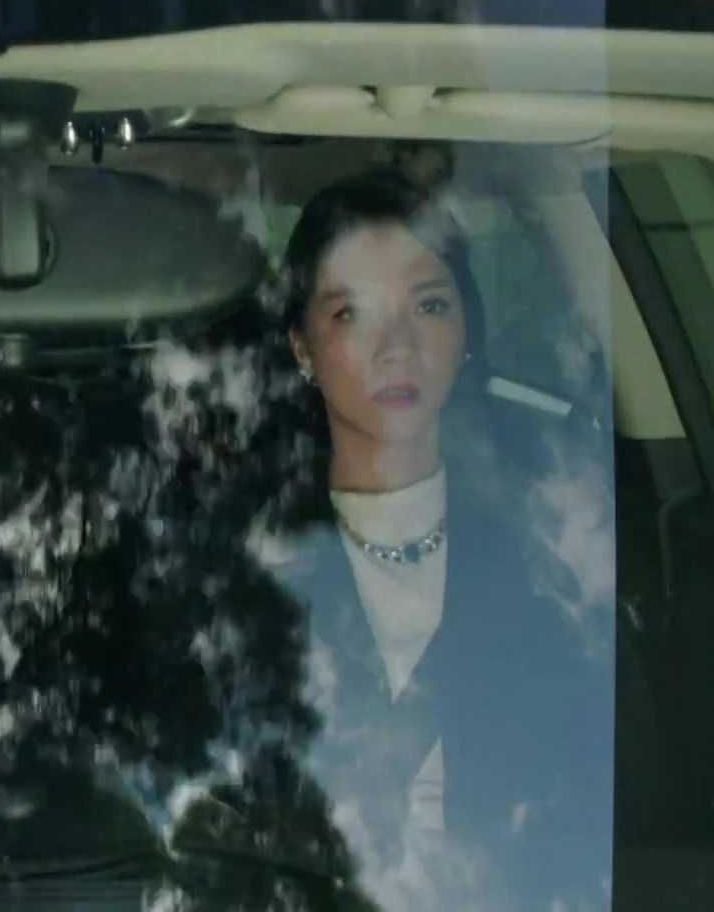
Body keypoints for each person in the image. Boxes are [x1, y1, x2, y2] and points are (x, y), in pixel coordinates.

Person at [260, 167, 613, 912]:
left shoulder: (554, 529)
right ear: (302, 348)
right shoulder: (251, 560)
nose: (397, 347)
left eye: (427, 305)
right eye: (352, 313)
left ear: (465, 329)